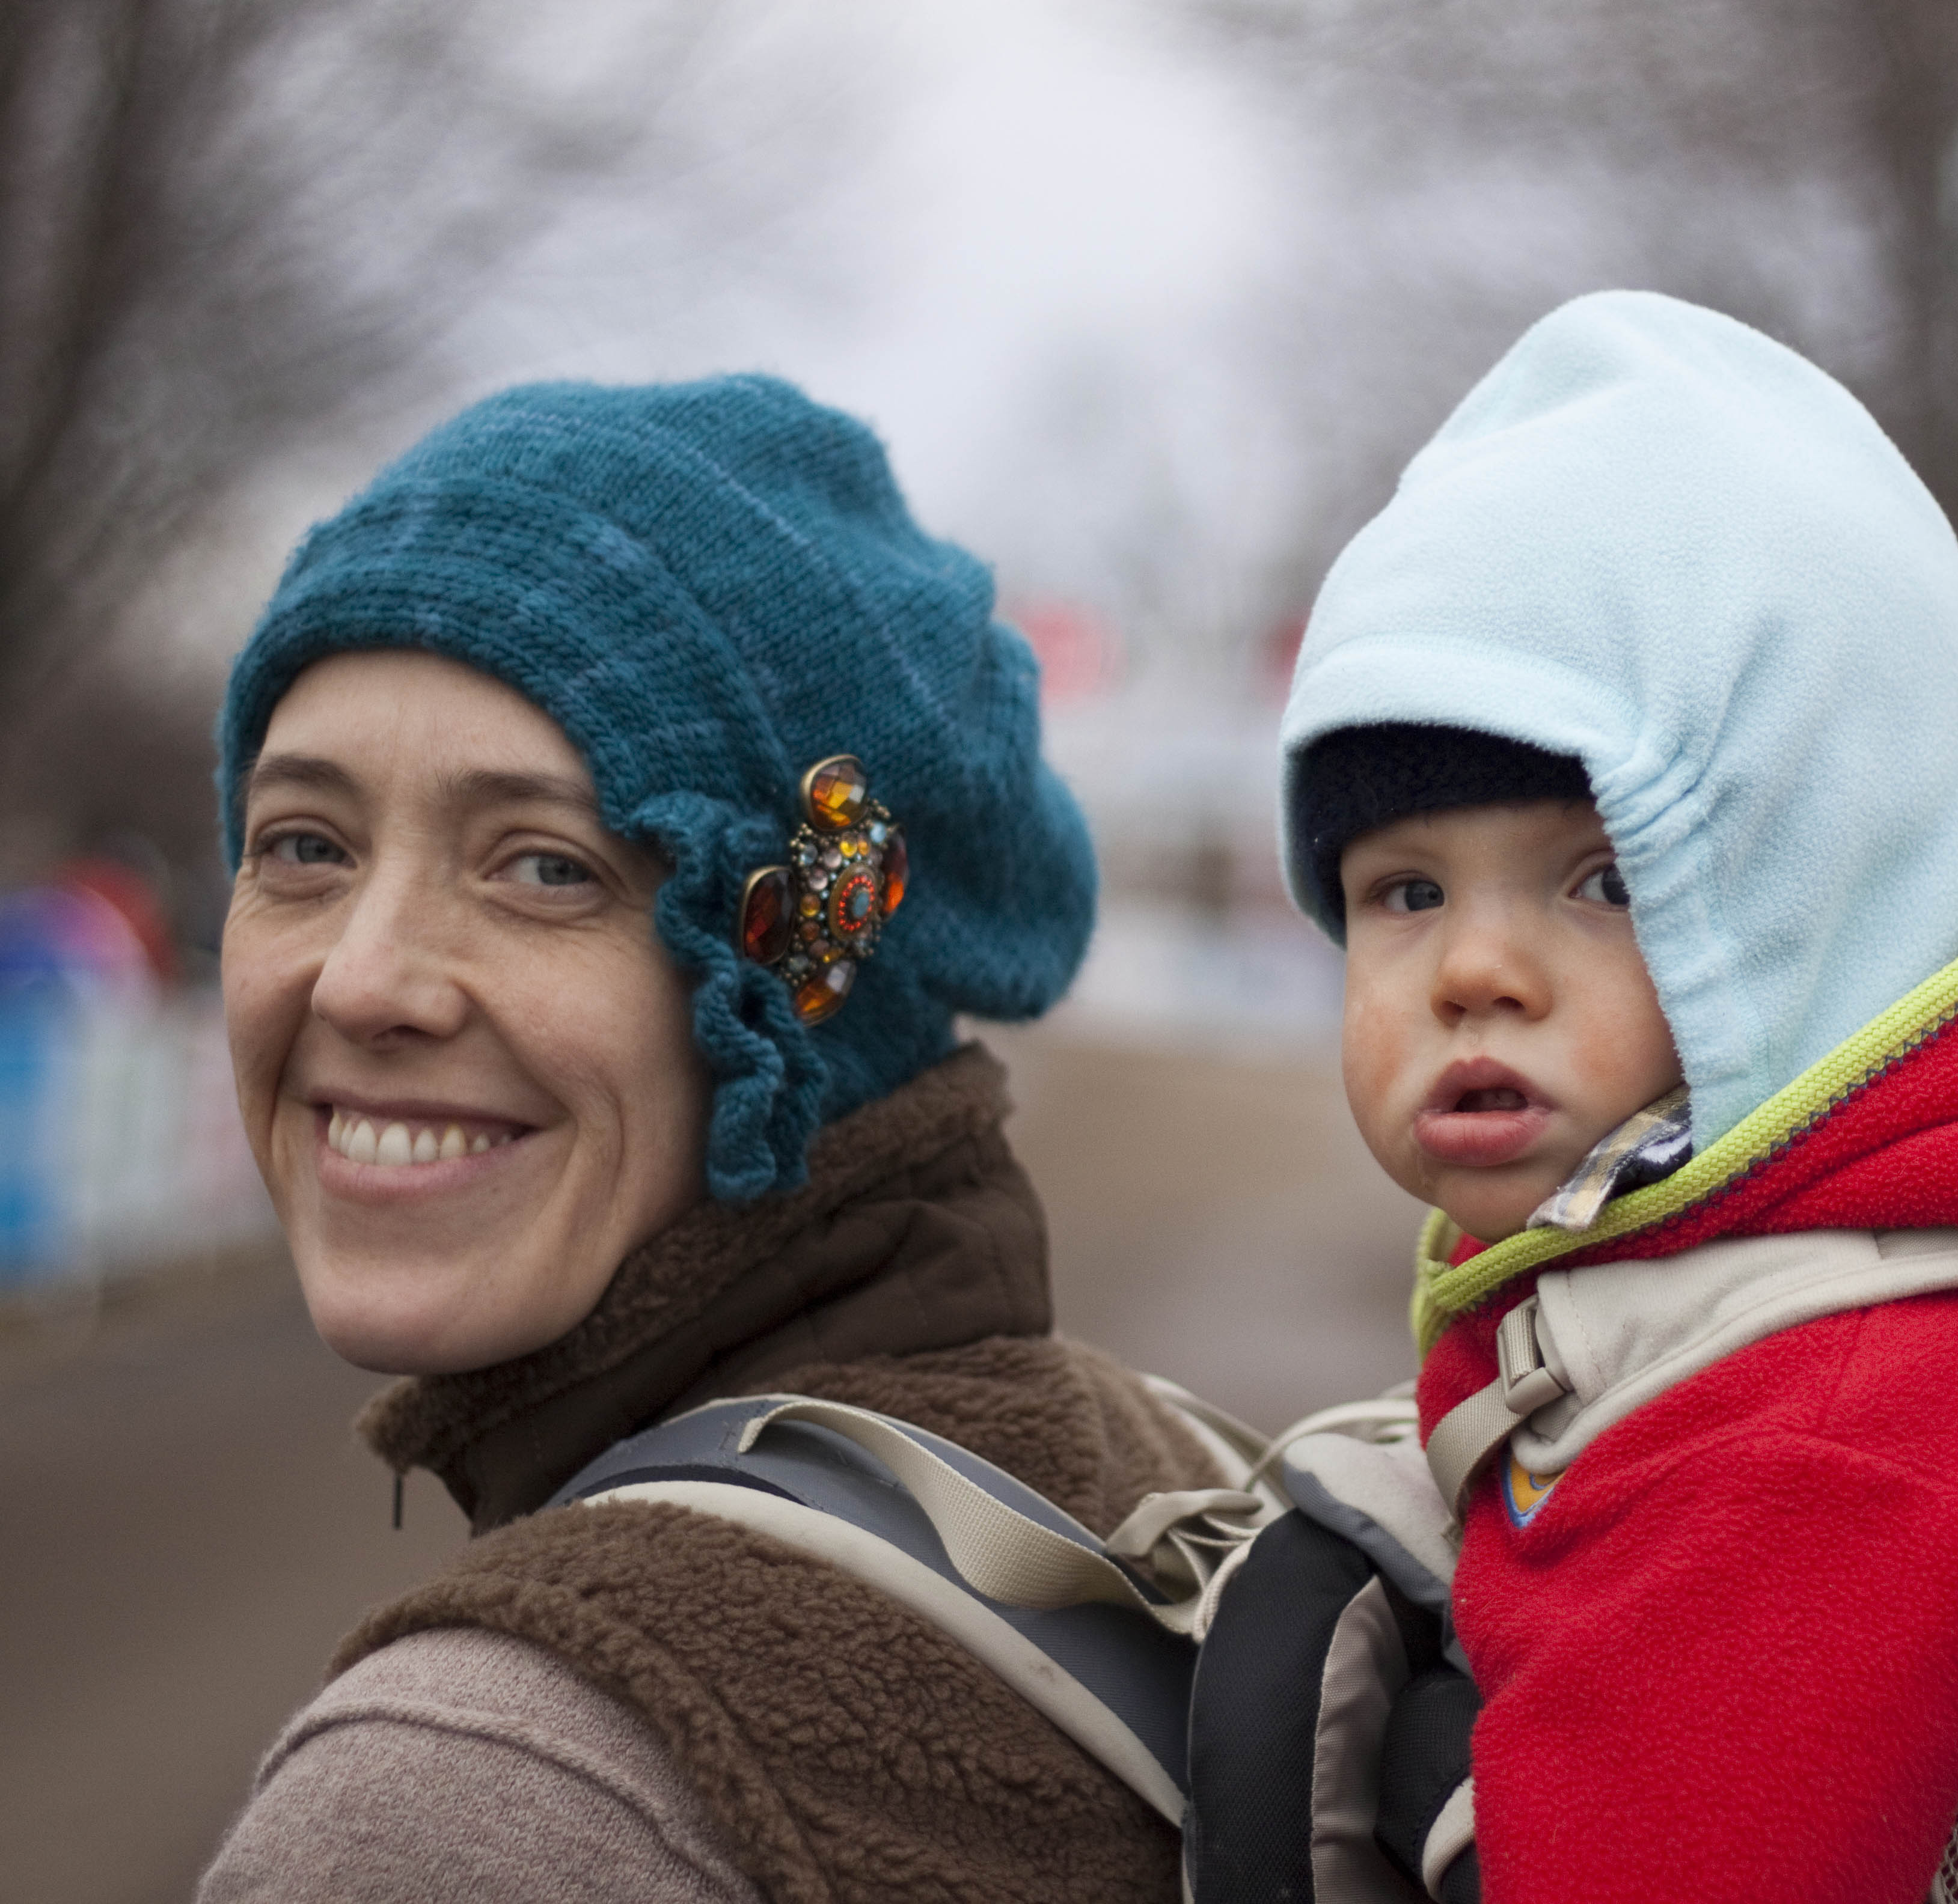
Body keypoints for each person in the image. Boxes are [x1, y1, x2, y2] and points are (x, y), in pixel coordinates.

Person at [1276, 292, 1958, 1899]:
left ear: (1819, 881)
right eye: (1405, 892)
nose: (1471, 973)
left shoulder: (1807, 1436)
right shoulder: (1797, 1238)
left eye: (1602, 880)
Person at [197, 376, 1220, 1903]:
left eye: (544, 867)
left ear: (803, 989)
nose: (361, 978)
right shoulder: (1168, 1482)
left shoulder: (467, 1804)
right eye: (304, 846)